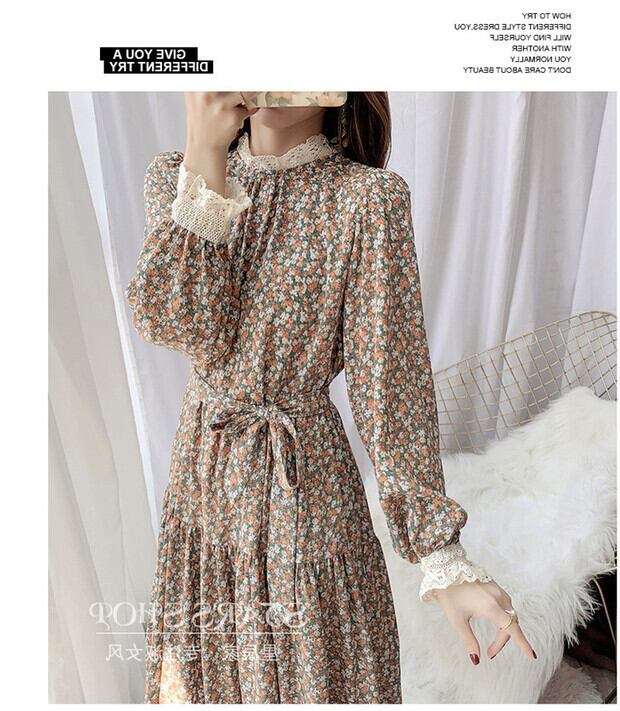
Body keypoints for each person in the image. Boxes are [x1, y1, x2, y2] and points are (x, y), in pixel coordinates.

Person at [126, 91, 536, 704]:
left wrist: (441, 556)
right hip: (203, 487)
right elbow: (176, 324)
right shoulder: (177, 177)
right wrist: (204, 155)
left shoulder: (366, 201)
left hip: (306, 496)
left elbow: (390, 384)